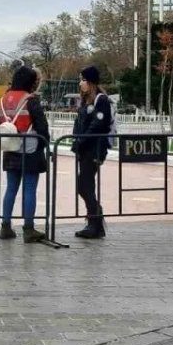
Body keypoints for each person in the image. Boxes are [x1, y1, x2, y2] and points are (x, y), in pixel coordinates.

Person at [0, 65, 48, 243]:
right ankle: (28, 229)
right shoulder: (30, 100)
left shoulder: (2, 100)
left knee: (11, 188)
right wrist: (44, 144)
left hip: (10, 149)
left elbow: (1, 123)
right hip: (30, 150)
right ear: (30, 82)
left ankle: (6, 226)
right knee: (29, 188)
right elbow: (42, 127)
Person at [71, 66, 113, 239]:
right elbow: (80, 122)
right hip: (84, 149)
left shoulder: (101, 100)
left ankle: (95, 222)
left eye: (83, 80)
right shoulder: (86, 100)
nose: (80, 83)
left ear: (91, 81)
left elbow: (98, 124)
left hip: (94, 149)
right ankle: (94, 223)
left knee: (84, 185)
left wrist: (81, 140)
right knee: (85, 185)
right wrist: (76, 139)